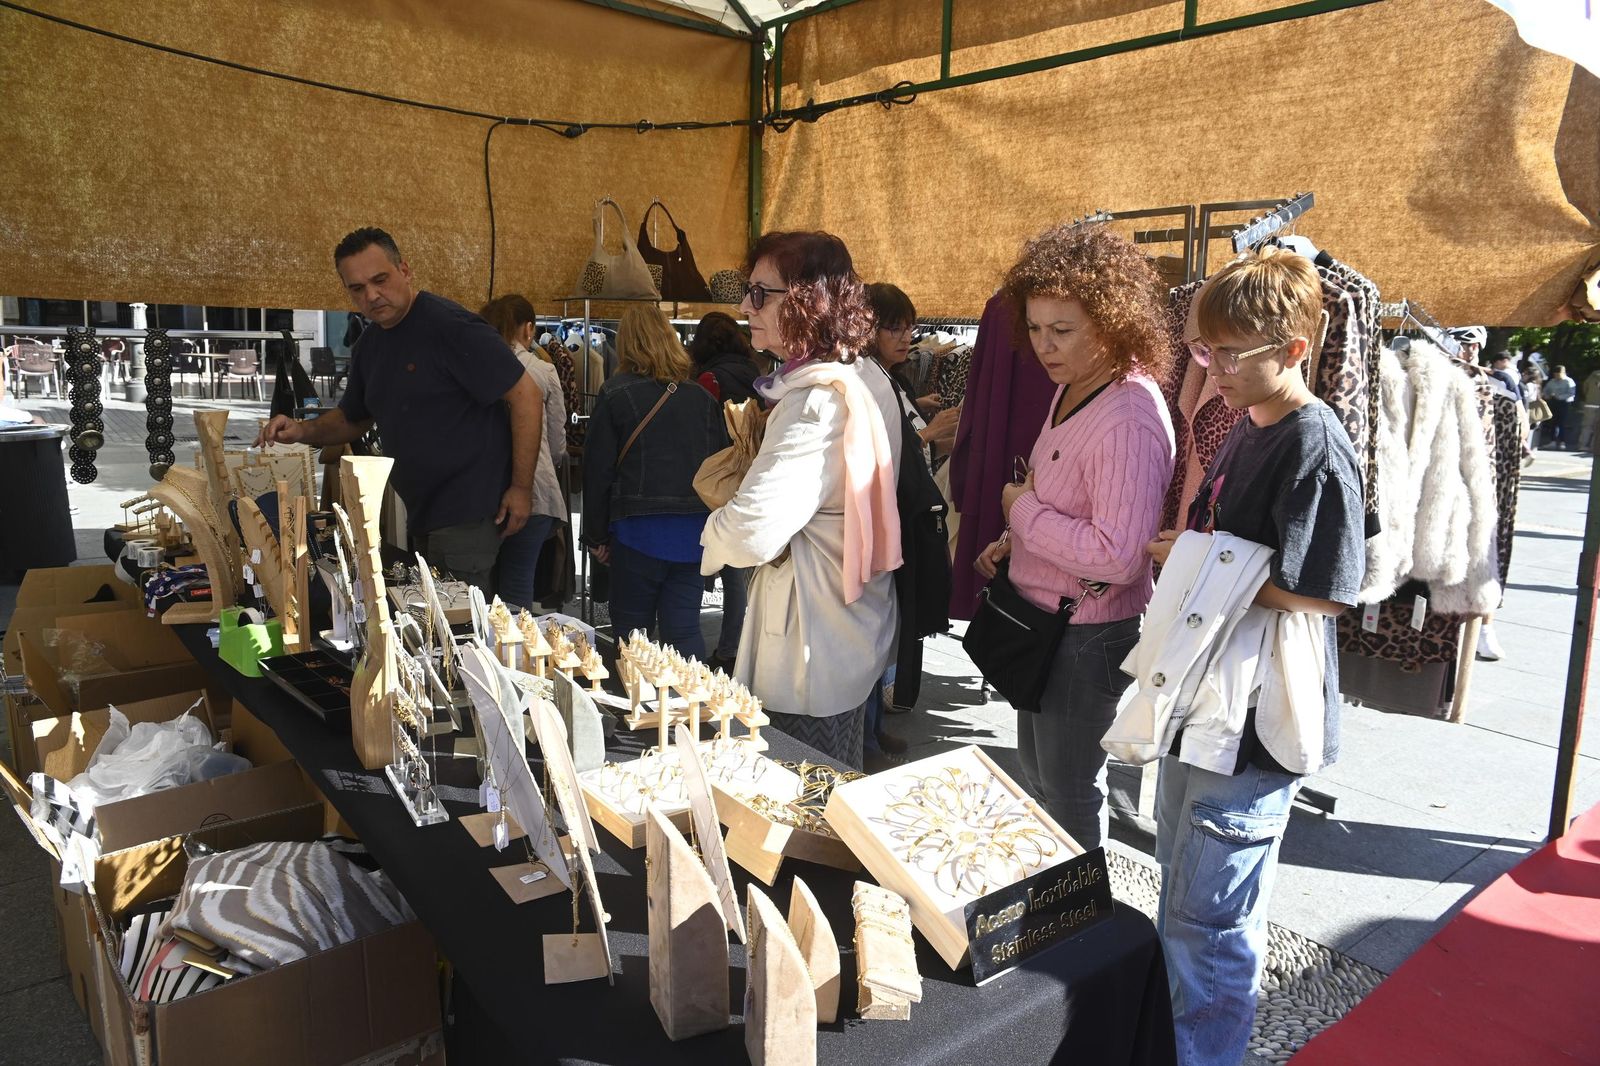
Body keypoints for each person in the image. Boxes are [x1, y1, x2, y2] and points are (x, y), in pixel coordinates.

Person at [1145, 247, 1365, 1066]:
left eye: (1230, 353)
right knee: (1187, 902)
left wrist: (1196, 563)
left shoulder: (1315, 441)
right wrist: (1194, 551)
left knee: (1209, 927)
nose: (1215, 370)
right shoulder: (1247, 423)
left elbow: (1331, 590)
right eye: (1204, 351)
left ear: (1295, 349)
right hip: (1206, 700)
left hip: (1257, 718)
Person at [971, 225, 1176, 850]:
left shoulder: (1128, 416)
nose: (1044, 345)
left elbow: (1117, 555)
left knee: (1065, 789)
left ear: (1111, 322)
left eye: (1062, 330)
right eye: (1035, 329)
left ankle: (1078, 918)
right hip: (1048, 620)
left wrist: (1022, 513)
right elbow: (1060, 491)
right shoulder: (1073, 386)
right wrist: (1016, 538)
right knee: (1038, 775)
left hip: (1086, 632)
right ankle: (1058, 902)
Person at [700, 231, 903, 768]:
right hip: (844, 628)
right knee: (834, 789)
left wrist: (711, 532)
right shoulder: (861, 377)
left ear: (808, 301)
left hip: (809, 645)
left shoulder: (815, 400)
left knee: (803, 810)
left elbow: (752, 529)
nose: (746, 305)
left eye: (761, 293)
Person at [258, 228, 540, 591]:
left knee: (458, 627)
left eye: (380, 280)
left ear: (404, 271)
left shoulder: (450, 326)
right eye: (357, 288)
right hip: (423, 512)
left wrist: (521, 488)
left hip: (468, 510)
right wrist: (301, 430)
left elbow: (526, 395)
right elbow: (351, 419)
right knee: (436, 627)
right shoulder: (370, 344)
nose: (372, 295)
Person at [582, 305, 726, 659]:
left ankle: (637, 711)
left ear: (628, 343)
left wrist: (596, 536)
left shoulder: (616, 393)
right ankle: (694, 711)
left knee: (633, 639)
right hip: (693, 534)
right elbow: (720, 468)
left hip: (637, 532)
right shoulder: (703, 399)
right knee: (685, 631)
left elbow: (597, 471)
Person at [479, 295, 569, 609]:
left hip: (482, 492)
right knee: (518, 586)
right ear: (528, 329)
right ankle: (515, 654)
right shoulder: (543, 370)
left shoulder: (476, 366)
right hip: (536, 492)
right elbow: (558, 443)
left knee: (478, 588)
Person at [688, 312, 761, 674]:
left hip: (721, 476)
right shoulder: (759, 376)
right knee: (741, 572)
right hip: (753, 474)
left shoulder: (708, 379)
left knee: (718, 563)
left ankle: (723, 648)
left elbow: (701, 434)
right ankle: (736, 646)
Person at [1541, 364, 1576, 450]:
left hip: (1564, 403)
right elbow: (1545, 391)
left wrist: (1559, 396)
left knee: (1562, 423)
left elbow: (1571, 393)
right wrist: (1547, 395)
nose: (1556, 376)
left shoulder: (1569, 381)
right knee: (1553, 422)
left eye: (1558, 374)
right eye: (1555, 374)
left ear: (1563, 373)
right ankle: (1552, 441)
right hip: (1553, 403)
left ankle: (1562, 442)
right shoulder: (1552, 381)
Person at [1580, 366, 1600, 452]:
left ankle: (1583, 445)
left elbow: (1585, 387)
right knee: (1598, 428)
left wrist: (1589, 397)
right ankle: (1594, 446)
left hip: (1590, 404)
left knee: (1587, 426)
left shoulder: (1592, 375)